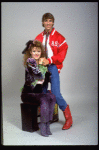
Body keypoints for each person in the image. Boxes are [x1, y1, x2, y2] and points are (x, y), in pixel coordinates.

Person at [35, 13, 73, 130]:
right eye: (46, 21)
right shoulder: (38, 38)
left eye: (50, 21)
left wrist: (50, 60)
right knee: (43, 92)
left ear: (53, 22)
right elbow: (34, 51)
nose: (48, 23)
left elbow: (62, 54)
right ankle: (46, 118)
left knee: (56, 94)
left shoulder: (59, 37)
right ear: (42, 23)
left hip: (53, 67)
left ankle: (69, 118)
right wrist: (36, 61)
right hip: (42, 68)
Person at [21, 40, 56, 137]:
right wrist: (42, 66)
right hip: (28, 94)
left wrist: (46, 67)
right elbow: (38, 76)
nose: (36, 53)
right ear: (30, 52)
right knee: (44, 99)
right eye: (34, 51)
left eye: (38, 51)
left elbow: (47, 79)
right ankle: (42, 124)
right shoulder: (30, 62)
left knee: (52, 97)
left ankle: (47, 123)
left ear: (41, 53)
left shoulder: (42, 64)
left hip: (37, 92)